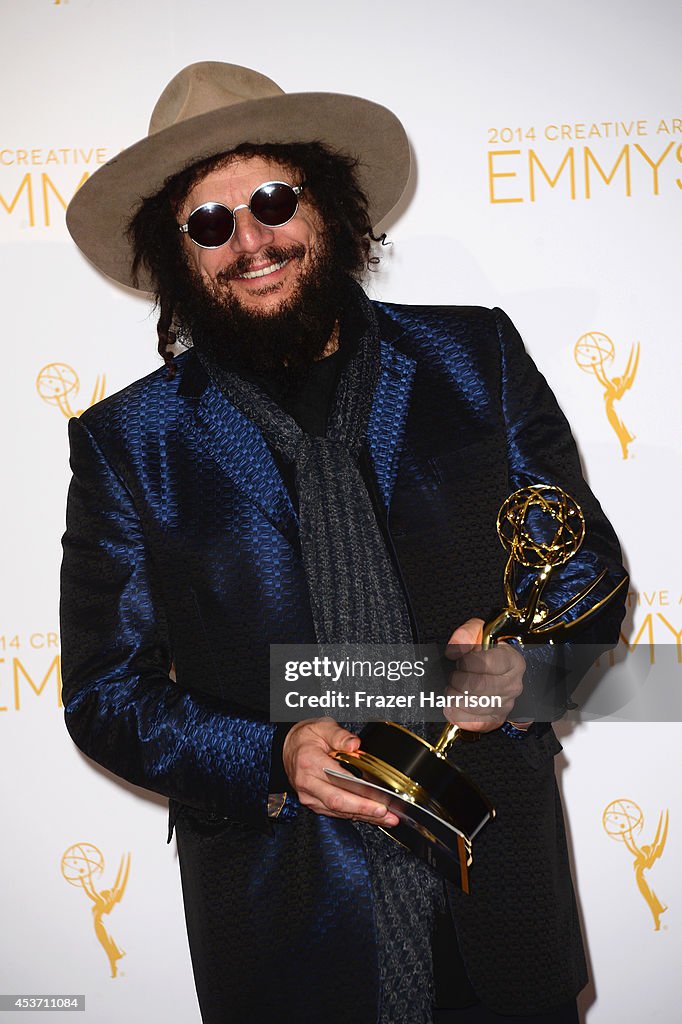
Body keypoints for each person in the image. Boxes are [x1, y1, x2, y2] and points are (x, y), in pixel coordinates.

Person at [61, 62, 626, 1024]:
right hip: (288, 927)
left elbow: (585, 575)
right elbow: (106, 694)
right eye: (210, 222)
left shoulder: (473, 358)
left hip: (500, 905)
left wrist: (522, 674)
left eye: (273, 200)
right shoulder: (130, 443)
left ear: (325, 203)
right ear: (179, 252)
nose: (251, 240)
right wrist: (270, 755)